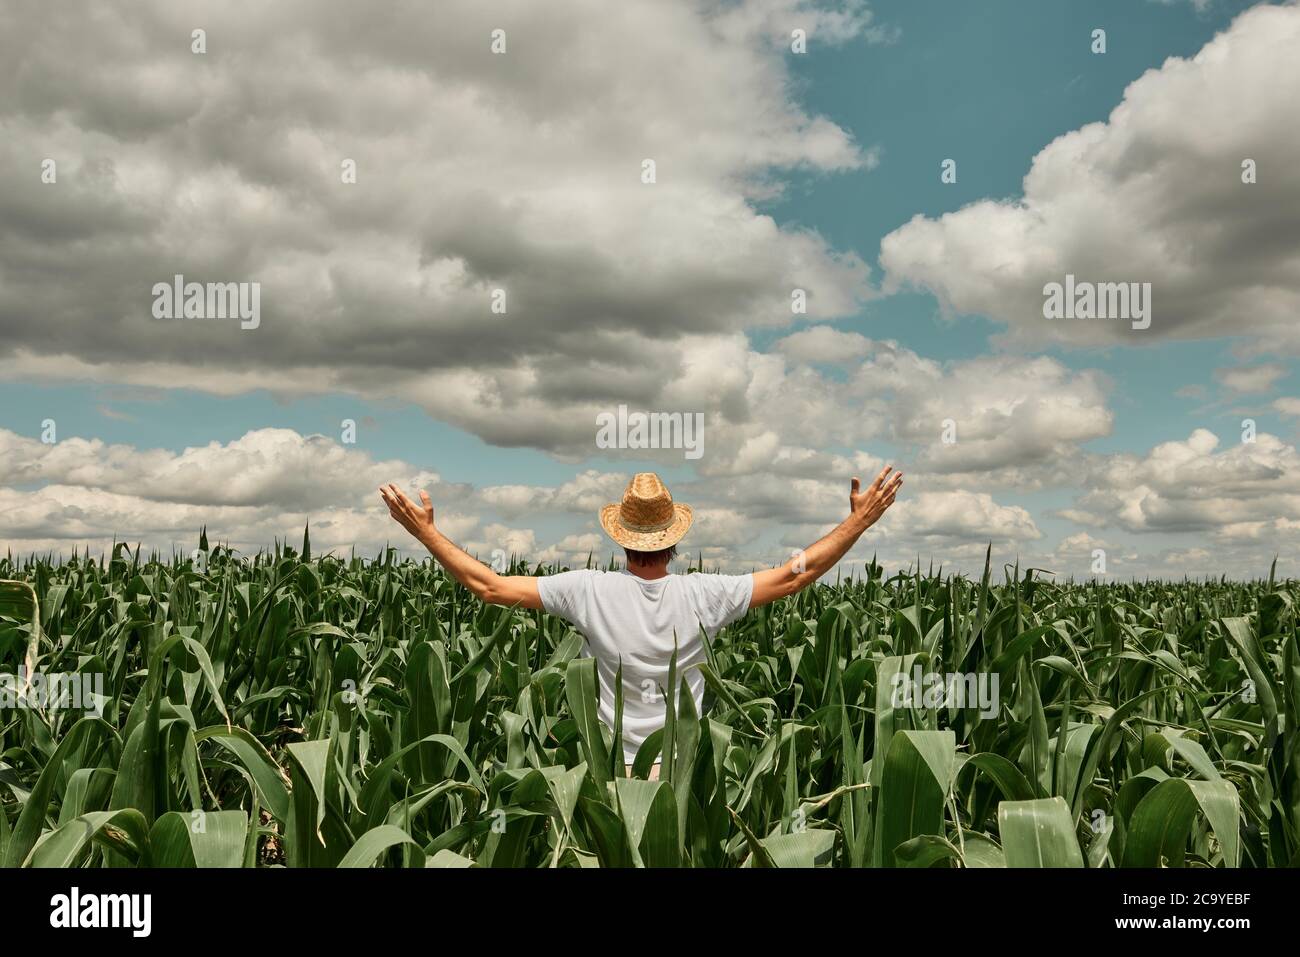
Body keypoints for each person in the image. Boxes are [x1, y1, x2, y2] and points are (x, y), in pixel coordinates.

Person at [379, 466, 903, 779]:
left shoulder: (586, 590)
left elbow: (489, 585)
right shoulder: (707, 594)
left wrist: (427, 533)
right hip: (681, 773)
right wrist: (859, 521)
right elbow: (794, 576)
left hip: (612, 772)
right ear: (674, 538)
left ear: (621, 536)